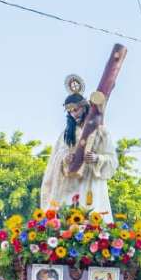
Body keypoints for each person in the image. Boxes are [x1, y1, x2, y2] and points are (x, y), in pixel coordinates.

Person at [39, 75, 117, 215]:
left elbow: (112, 158)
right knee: (70, 216)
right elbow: (57, 155)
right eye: (70, 112)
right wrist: (65, 158)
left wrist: (97, 158)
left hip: (92, 180)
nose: (73, 114)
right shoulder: (66, 134)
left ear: (84, 107)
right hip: (71, 183)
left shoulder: (100, 131)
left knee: (93, 215)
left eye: (76, 110)